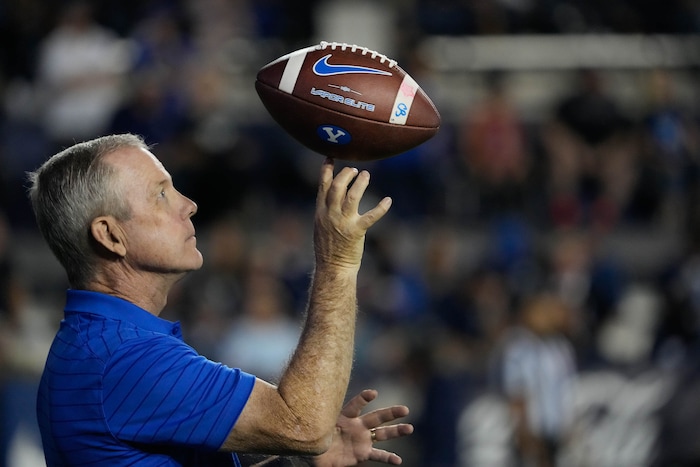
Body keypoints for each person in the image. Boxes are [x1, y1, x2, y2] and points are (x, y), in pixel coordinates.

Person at [28, 133, 413, 466]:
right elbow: (305, 424)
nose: (188, 204)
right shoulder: (122, 360)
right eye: (160, 194)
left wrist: (299, 457)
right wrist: (337, 262)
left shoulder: (106, 346)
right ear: (110, 236)